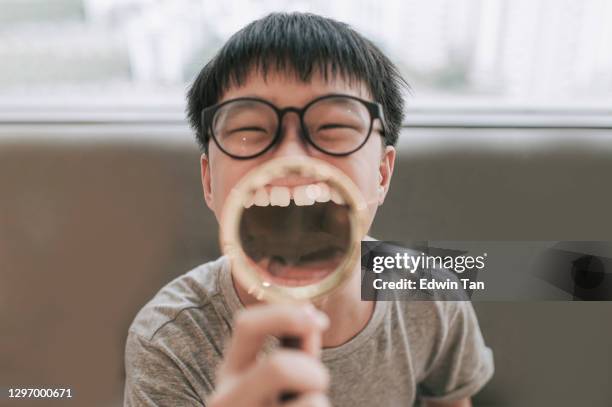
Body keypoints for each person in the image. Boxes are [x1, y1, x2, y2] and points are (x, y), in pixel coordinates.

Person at [123, 12, 494, 407]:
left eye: (333, 127)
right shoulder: (167, 339)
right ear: (209, 182)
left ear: (383, 174)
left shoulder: (431, 291)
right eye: (249, 130)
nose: (291, 155)